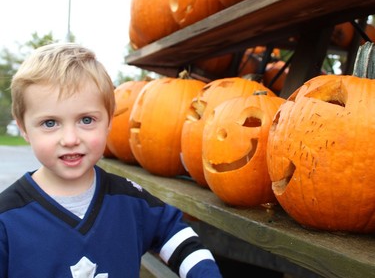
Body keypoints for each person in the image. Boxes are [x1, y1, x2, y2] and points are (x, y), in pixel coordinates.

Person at [0, 43, 222, 278]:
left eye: (86, 120)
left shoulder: (131, 201)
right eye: (50, 123)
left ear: (109, 120)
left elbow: (178, 238)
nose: (70, 139)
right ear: (24, 127)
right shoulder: (7, 218)